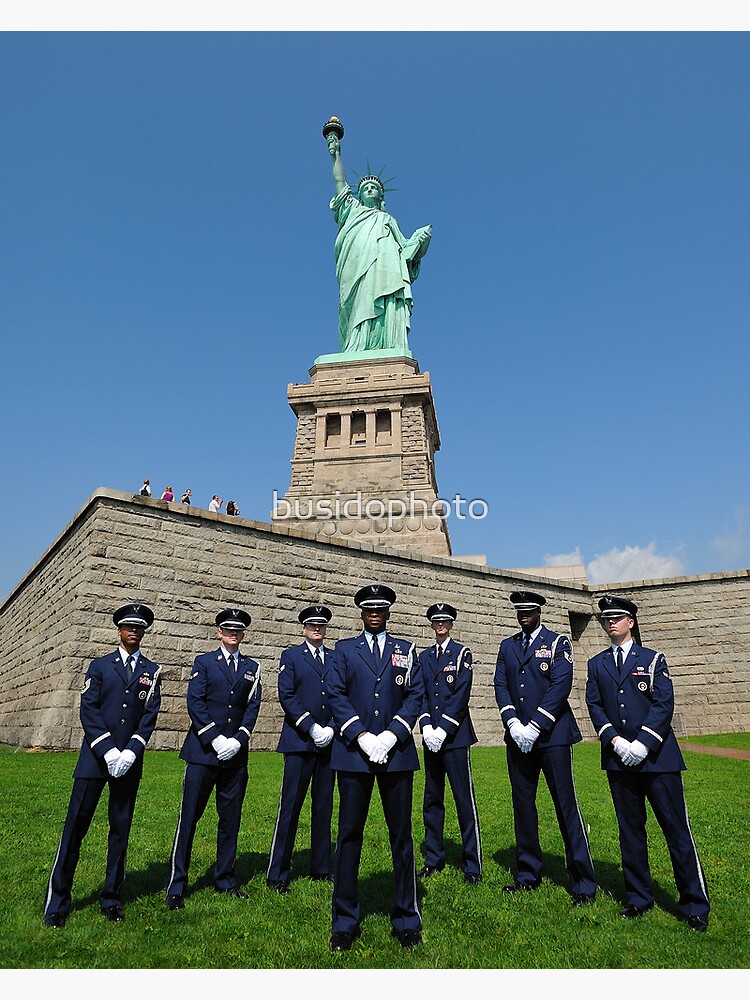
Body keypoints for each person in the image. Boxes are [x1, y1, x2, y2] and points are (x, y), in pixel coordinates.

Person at [585, 594, 710, 930]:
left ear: (631, 622)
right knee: (630, 832)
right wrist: (614, 740)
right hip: (618, 758)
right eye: (606, 619)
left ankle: (694, 903)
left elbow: (663, 704)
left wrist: (642, 744)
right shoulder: (596, 664)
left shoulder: (653, 659)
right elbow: (594, 705)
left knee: (675, 829)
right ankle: (639, 897)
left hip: (657, 760)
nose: (610, 623)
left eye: (617, 618)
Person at [43, 603, 162, 928]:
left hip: (129, 763)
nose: (134, 631)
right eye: (128, 626)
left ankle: (111, 897)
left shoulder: (152, 672)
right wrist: (109, 751)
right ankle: (58, 900)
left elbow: (149, 716)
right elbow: (89, 710)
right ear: (119, 630)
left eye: (139, 627)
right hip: (95, 760)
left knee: (119, 831)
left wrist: (130, 753)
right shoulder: (99, 666)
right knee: (75, 829)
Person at [327, 584, 423, 952]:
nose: (375, 614)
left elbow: (415, 694)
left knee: (402, 837)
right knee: (349, 836)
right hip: (354, 754)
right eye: (369, 609)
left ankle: (406, 918)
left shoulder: (405, 650)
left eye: (380, 609)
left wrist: (393, 734)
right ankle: (345, 921)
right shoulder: (343, 650)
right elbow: (335, 694)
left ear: (388, 613)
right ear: (361, 613)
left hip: (396, 755)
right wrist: (363, 736)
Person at [493, 590, 596, 906]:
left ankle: (582, 882)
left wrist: (535, 725)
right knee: (523, 806)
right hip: (518, 738)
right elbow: (501, 685)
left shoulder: (557, 643)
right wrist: (512, 723)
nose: (524, 614)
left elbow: (560, 685)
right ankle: (527, 874)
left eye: (529, 610)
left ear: (539, 611)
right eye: (519, 611)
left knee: (566, 806)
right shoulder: (507, 646)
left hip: (552, 736)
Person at [165, 608, 262, 910]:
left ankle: (225, 879)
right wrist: (214, 738)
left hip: (235, 755)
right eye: (227, 629)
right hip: (203, 754)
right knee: (189, 819)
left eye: (238, 630)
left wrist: (238, 740)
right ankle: (177, 885)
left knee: (230, 820)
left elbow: (253, 705)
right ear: (219, 632)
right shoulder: (204, 663)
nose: (233, 634)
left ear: (242, 634)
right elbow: (195, 702)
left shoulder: (252, 666)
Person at [325, 120, 432, 354]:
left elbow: (406, 251)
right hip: (356, 266)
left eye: (375, 188)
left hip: (386, 267)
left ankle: (386, 343)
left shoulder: (388, 220)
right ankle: (356, 344)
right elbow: (339, 182)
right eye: (365, 188)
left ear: (381, 196)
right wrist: (336, 155)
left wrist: (419, 242)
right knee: (358, 302)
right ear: (360, 195)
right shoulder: (352, 210)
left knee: (385, 296)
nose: (370, 190)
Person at [266, 605, 336, 893]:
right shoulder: (291, 656)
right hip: (299, 741)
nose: (317, 629)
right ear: (303, 628)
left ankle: (320, 867)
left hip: (329, 743)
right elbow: (288, 695)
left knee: (323, 806)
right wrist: (311, 726)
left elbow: (340, 692)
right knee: (291, 807)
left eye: (321, 625)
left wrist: (331, 726)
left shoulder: (334, 657)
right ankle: (278, 872)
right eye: (312, 625)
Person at [417, 602, 482, 884]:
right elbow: (418, 693)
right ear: (431, 625)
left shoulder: (461, 654)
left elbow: (460, 695)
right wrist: (426, 727)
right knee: (432, 799)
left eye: (444, 621)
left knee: (463, 800)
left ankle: (473, 865)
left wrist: (443, 728)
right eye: (436, 621)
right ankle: (434, 857)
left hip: (454, 738)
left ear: (451, 624)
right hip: (431, 738)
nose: (440, 625)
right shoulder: (423, 656)